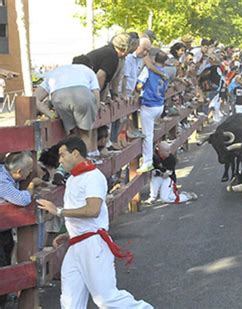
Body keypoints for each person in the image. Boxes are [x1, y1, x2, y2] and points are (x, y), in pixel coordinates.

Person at [36, 136, 153, 308]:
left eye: (62, 155)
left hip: (93, 245)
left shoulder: (93, 177)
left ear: (75, 153)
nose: (60, 160)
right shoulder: (75, 179)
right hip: (78, 244)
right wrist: (70, 233)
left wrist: (58, 211)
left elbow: (93, 210)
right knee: (70, 302)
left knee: (106, 299)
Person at [34, 56, 101, 158]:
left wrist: (50, 114)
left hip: (59, 96)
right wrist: (94, 112)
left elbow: (34, 98)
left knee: (72, 134)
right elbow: (96, 95)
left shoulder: (56, 72)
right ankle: (83, 163)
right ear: (90, 66)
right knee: (85, 134)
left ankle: (69, 165)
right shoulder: (88, 71)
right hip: (82, 94)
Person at [0, 152, 42, 307]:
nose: (30, 172)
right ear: (18, 172)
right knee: (2, 263)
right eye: (29, 170)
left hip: (4, 229)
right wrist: (30, 188)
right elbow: (22, 199)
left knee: (5, 258)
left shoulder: (4, 175)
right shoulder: (2, 181)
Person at [136, 50, 171, 174]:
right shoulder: (166, 73)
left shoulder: (148, 70)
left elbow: (139, 85)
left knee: (148, 135)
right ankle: (156, 157)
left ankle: (148, 162)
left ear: (154, 59)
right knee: (153, 133)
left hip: (149, 105)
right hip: (159, 105)